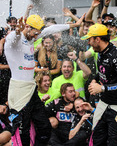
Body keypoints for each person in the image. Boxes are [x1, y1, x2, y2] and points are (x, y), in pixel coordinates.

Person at [4, 14, 85, 145]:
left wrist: (75, 25)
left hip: (31, 89)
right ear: (27, 27)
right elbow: (12, 38)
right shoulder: (14, 40)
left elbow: (50, 29)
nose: (37, 37)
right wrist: (18, 31)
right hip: (18, 90)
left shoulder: (32, 36)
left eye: (38, 34)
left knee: (44, 127)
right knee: (21, 130)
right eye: (35, 33)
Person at [81, 23, 117, 146]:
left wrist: (102, 88)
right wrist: (95, 79)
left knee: (115, 142)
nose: (88, 43)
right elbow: (103, 71)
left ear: (98, 39)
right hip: (104, 103)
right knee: (96, 138)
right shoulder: (100, 52)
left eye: (90, 39)